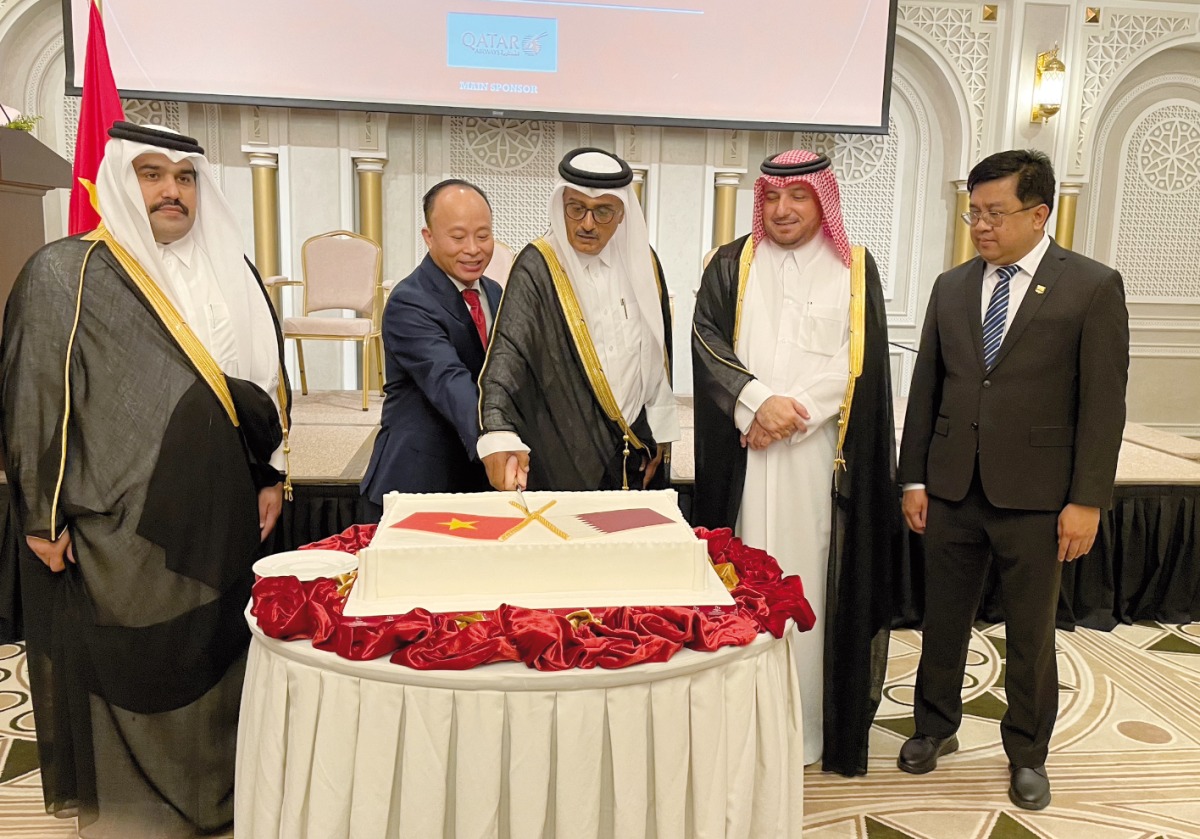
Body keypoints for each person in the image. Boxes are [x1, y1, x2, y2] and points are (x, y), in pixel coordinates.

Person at [0, 121, 290, 837]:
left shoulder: (234, 268)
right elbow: (35, 390)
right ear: (122, 182)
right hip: (120, 523)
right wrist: (40, 513)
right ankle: (139, 813)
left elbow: (261, 388)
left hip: (222, 508)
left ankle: (218, 795)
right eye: (152, 174)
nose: (171, 190)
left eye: (185, 177)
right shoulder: (68, 271)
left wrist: (271, 474)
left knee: (217, 651)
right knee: (139, 658)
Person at [897, 149, 1129, 810]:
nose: (981, 225)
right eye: (974, 212)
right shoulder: (952, 286)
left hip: (1038, 496)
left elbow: (1103, 405)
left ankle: (1027, 751)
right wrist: (913, 478)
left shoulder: (1091, 285)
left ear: (1039, 213)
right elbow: (927, 392)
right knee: (942, 621)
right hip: (950, 487)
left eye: (995, 212)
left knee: (1029, 635)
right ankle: (933, 727)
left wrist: (1087, 500)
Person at [691, 149, 901, 776]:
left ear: (823, 200)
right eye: (773, 198)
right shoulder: (732, 264)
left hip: (817, 464)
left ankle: (808, 729)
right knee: (742, 582)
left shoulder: (855, 271)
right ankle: (738, 731)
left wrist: (795, 408)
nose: (783, 210)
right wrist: (756, 403)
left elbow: (858, 363)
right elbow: (706, 339)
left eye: (799, 198)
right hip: (746, 460)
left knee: (811, 587)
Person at [477, 147, 678, 491]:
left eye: (602, 212)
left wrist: (661, 431)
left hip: (635, 443)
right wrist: (496, 431)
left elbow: (657, 354)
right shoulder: (538, 266)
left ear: (622, 214)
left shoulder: (643, 260)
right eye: (576, 209)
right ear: (561, 206)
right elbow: (506, 356)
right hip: (562, 450)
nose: (587, 223)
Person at [360, 179, 503, 512]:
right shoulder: (409, 301)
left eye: (483, 235)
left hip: (478, 483)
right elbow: (448, 378)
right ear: (429, 237)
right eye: (457, 237)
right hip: (417, 482)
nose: (473, 248)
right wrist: (497, 441)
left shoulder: (495, 292)